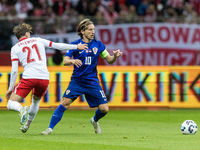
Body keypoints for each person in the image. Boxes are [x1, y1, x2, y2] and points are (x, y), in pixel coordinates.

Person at [41, 18, 122, 135]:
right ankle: (49, 128)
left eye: (93, 29)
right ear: (82, 31)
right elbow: (65, 61)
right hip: (77, 82)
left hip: (92, 82)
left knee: (104, 109)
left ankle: (94, 120)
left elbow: (109, 60)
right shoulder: (75, 45)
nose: (93, 32)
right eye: (90, 29)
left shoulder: (99, 45)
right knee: (64, 102)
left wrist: (114, 56)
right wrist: (73, 61)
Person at [5, 23, 88, 133]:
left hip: (29, 77)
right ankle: (27, 125)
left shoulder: (15, 48)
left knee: (11, 104)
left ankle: (21, 109)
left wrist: (10, 89)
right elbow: (58, 45)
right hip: (44, 78)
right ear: (26, 33)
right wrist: (76, 47)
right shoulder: (39, 40)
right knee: (35, 102)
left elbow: (14, 70)